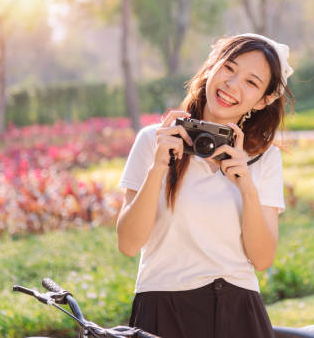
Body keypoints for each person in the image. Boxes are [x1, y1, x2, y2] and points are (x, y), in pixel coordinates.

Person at [116, 33, 294, 338]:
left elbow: (262, 259)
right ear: (211, 66)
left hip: (240, 312)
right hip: (162, 309)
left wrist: (247, 188)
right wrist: (159, 167)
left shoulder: (265, 158)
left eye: (251, 82)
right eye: (229, 68)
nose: (232, 84)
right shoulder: (153, 140)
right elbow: (128, 243)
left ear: (264, 100)